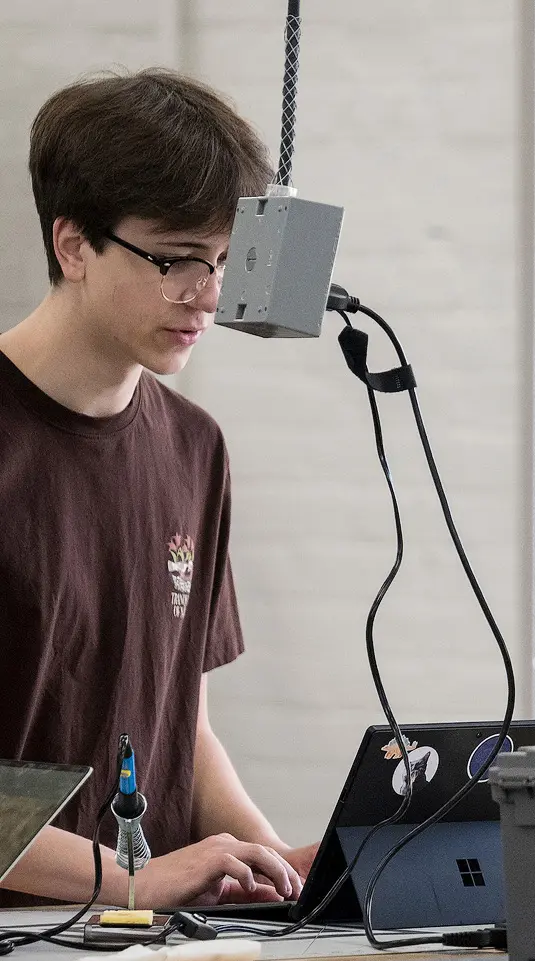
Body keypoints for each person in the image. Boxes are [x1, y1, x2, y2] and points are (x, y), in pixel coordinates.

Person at [0, 69, 313, 908]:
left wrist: (273, 858)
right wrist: (135, 878)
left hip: (149, 945)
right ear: (73, 245)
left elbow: (186, 727)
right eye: (175, 260)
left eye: (220, 261)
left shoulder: (194, 448)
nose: (207, 297)